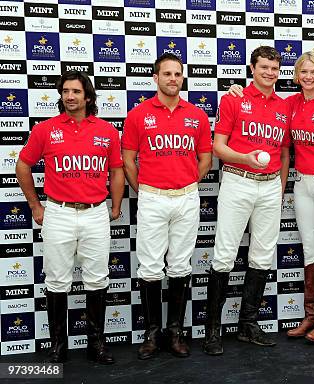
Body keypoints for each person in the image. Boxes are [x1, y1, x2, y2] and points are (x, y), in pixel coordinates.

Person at [226, 51, 314, 343]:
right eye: (303, 72)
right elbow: (257, 104)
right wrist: (236, 89)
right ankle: (311, 315)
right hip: (302, 184)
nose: (308, 77)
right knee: (310, 250)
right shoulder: (290, 104)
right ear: (296, 75)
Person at [16, 70, 124, 364]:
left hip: (94, 213)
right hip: (58, 212)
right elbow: (23, 166)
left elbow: (116, 171)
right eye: (65, 91)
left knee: (97, 279)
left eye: (76, 91)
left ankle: (96, 344)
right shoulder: (45, 129)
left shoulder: (106, 131)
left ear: (87, 96)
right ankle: (58, 345)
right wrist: (35, 206)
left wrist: (115, 206)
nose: (70, 97)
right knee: (57, 280)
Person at [122, 53, 213, 360]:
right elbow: (128, 160)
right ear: (155, 78)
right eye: (167, 74)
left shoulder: (197, 115)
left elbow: (205, 160)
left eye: (178, 74)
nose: (173, 78)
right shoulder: (138, 115)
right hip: (152, 197)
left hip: (187, 197)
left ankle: (174, 331)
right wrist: (145, 188)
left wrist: (186, 182)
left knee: (180, 265)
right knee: (149, 266)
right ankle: (151, 333)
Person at [204, 46, 291, 355]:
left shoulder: (284, 107)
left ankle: (247, 325)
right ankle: (212, 330)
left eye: (274, 68)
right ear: (252, 68)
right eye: (264, 67)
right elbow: (218, 147)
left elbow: (283, 154)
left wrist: (279, 189)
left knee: (262, 256)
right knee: (224, 255)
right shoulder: (233, 99)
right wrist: (245, 158)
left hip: (269, 187)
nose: (269, 72)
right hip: (238, 181)